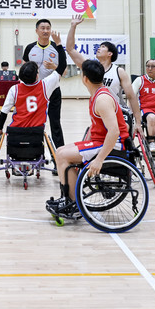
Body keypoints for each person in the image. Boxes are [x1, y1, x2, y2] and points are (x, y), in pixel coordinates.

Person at [46, 59, 130, 217]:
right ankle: (69, 197)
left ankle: (74, 204)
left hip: (113, 144)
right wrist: (83, 144)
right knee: (61, 150)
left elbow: (114, 132)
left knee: (62, 156)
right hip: (100, 141)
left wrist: (99, 160)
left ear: (84, 79)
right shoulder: (97, 95)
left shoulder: (102, 99)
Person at [64, 14, 142, 136]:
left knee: (121, 129)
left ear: (110, 54)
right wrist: (73, 26)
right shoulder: (91, 67)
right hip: (99, 110)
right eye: (99, 46)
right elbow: (70, 49)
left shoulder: (119, 71)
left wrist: (138, 122)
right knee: (90, 137)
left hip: (119, 111)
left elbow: (131, 97)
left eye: (103, 47)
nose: (99, 48)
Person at [22, 19, 66, 148]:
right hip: (35, 91)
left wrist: (54, 67)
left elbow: (64, 71)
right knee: (33, 120)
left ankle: (59, 151)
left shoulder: (56, 47)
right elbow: (24, 70)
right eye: (42, 28)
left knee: (55, 122)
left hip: (53, 90)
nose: (45, 31)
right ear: (37, 30)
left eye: (48, 28)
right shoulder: (30, 48)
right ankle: (33, 148)